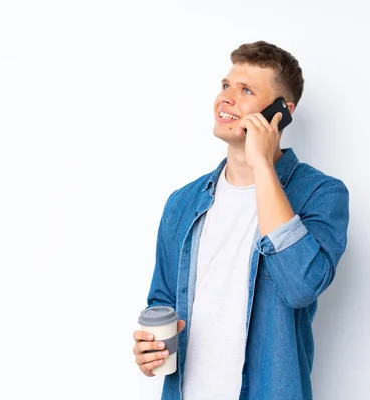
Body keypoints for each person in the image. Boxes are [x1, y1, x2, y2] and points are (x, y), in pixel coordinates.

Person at [133, 40, 349, 400]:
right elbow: (162, 301)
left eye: (246, 90)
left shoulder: (320, 194)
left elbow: (301, 286)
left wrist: (262, 164)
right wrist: (149, 350)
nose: (226, 98)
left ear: (282, 112)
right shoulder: (182, 204)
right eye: (225, 86)